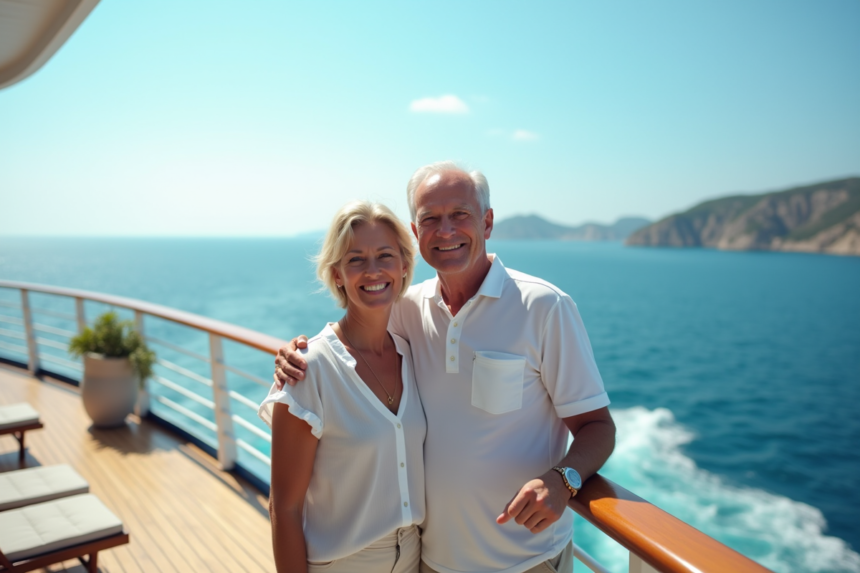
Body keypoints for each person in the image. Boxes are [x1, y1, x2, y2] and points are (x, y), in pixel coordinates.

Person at [274, 162, 616, 573]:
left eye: (460, 215)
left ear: (487, 222)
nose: (446, 230)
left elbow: (598, 427)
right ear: (416, 235)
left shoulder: (543, 307)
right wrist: (297, 352)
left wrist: (563, 480)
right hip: (430, 561)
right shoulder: (406, 310)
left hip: (527, 560)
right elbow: (352, 333)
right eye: (430, 219)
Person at [259, 201, 425, 573]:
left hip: (415, 555)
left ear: (403, 266)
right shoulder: (309, 369)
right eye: (355, 260)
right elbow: (283, 508)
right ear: (336, 275)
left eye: (385, 255)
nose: (373, 270)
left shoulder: (414, 353)